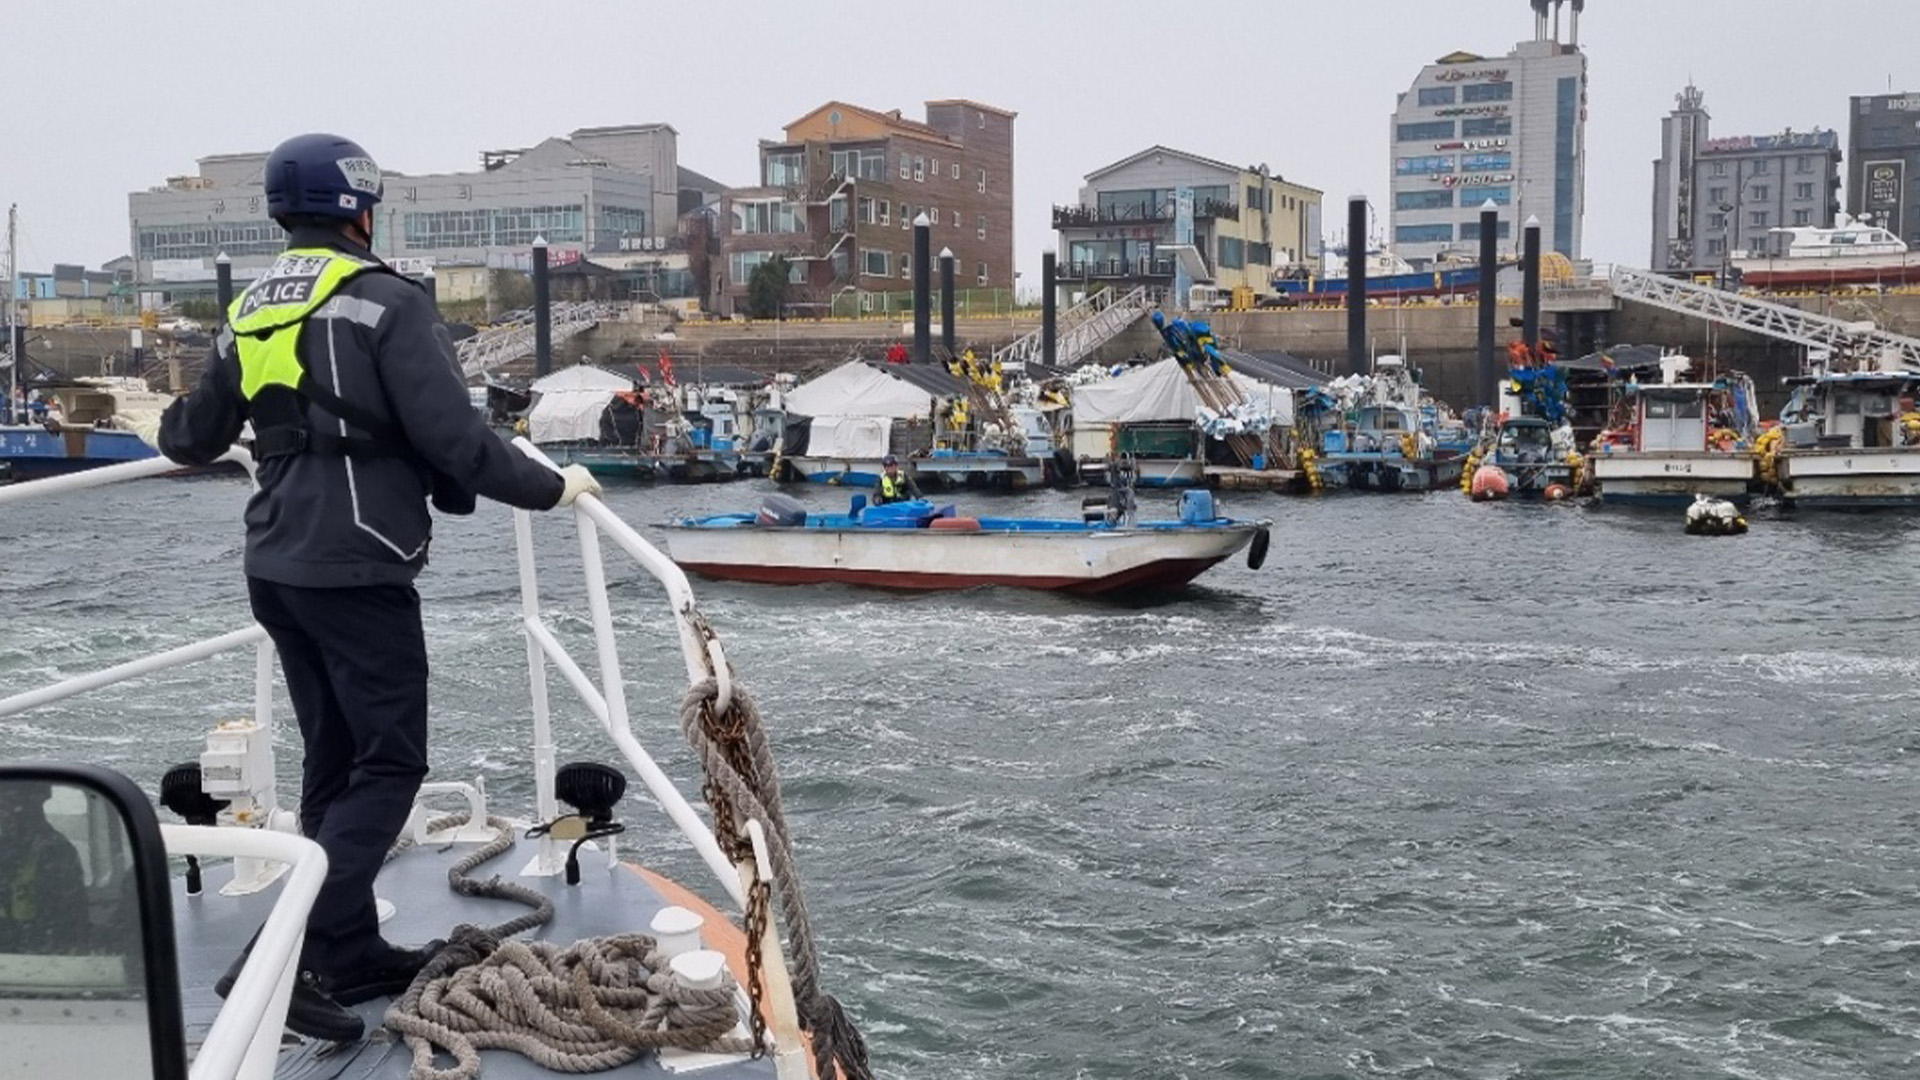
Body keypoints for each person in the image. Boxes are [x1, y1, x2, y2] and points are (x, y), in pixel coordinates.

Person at [120, 133, 602, 1043]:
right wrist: (553, 486)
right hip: (358, 562)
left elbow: (190, 437)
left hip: (275, 564)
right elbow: (456, 442)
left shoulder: (249, 310)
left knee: (335, 762)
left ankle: (342, 948)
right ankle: (280, 960)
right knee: (388, 765)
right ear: (362, 210)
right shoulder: (387, 301)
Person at [0, 781, 88, 955]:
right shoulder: (7, 846)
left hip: (39, 958)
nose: (6, 812)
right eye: (3, 804)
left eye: (12, 802)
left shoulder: (56, 852)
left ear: (35, 803)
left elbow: (69, 926)